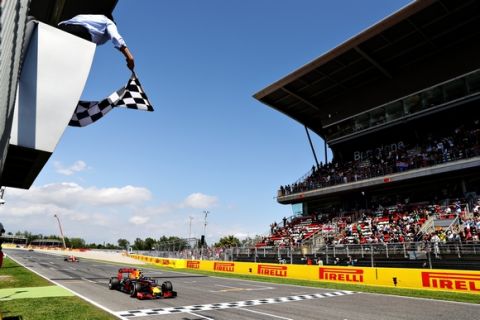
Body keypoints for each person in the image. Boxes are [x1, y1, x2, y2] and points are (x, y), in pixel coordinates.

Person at [58, 14, 134, 70]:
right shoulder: (109, 22)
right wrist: (129, 56)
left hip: (60, 27)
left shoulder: (91, 17)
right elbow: (115, 36)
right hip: (80, 34)